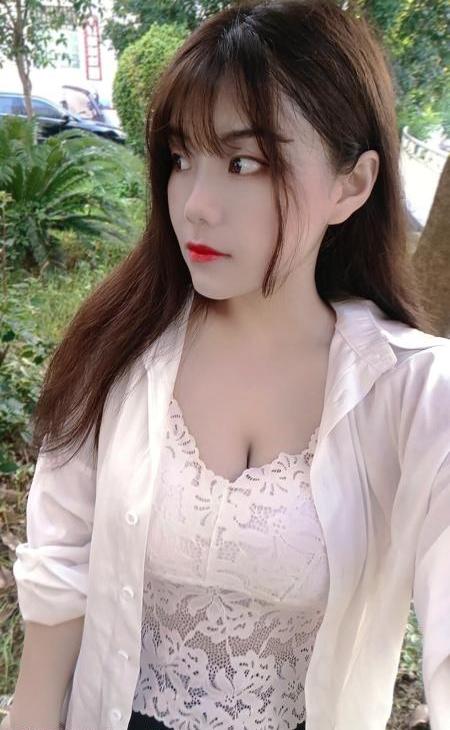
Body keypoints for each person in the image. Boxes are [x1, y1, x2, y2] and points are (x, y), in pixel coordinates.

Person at [6, 1, 450, 729]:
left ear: (352, 184)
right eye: (182, 158)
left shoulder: (413, 393)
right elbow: (61, 567)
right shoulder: (119, 346)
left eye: (246, 163)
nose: (196, 206)